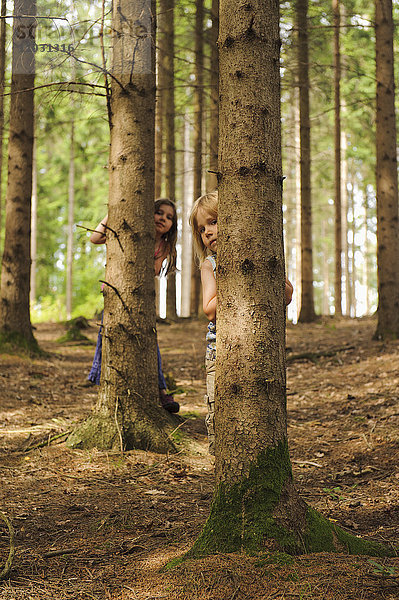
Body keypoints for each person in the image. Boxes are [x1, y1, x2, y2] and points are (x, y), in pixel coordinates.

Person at [189, 190, 293, 454]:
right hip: (220, 354)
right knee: (220, 410)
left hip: (257, 349)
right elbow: (210, 309)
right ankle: (221, 460)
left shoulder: (259, 256)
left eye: (213, 222)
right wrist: (239, 286)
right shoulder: (210, 265)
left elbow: (286, 294)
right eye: (202, 229)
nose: (208, 232)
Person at [87, 199, 180, 414]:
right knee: (107, 339)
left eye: (169, 218)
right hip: (115, 297)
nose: (163, 219)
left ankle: (160, 390)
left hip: (141, 302)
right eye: (159, 213)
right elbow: (95, 238)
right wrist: (114, 213)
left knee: (150, 344)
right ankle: (103, 383)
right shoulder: (127, 231)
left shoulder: (163, 246)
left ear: (172, 226)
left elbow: (152, 272)